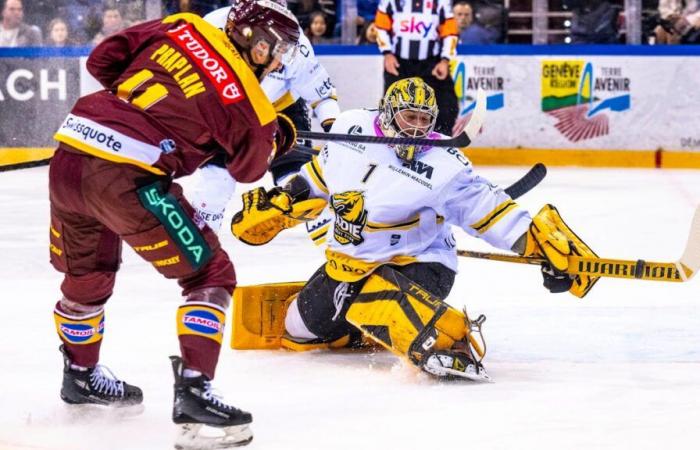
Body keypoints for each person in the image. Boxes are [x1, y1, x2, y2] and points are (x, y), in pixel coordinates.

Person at [48, 2, 300, 448]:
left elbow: (101, 60)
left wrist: (150, 111)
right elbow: (248, 167)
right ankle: (195, 396)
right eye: (278, 49)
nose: (279, 61)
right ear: (257, 42)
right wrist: (279, 136)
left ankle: (80, 376)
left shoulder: (182, 26)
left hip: (69, 158)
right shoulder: (251, 101)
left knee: (86, 278)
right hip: (128, 179)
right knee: (211, 274)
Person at [229, 78, 599, 380]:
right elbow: (320, 177)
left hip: (421, 263)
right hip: (352, 262)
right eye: (410, 117)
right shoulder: (350, 128)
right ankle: (360, 328)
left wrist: (538, 244)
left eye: (425, 120)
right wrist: (286, 200)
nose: (418, 128)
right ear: (388, 113)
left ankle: (447, 339)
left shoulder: (445, 163)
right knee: (299, 328)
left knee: (381, 296)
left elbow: (489, 209)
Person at [186, 1, 342, 233]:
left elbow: (322, 96)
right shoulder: (208, 29)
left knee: (299, 187)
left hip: (280, 111)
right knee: (214, 183)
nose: (279, 57)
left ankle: (338, 246)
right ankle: (201, 247)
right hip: (227, 114)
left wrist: (337, 135)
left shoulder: (296, 42)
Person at [374, 0, 459, 135]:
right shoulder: (390, 1)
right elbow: (380, 28)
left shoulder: (441, 2)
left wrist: (445, 60)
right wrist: (387, 53)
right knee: (393, 104)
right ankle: (391, 141)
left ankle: (441, 141)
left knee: (447, 104)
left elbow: (450, 33)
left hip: (432, 63)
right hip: (398, 62)